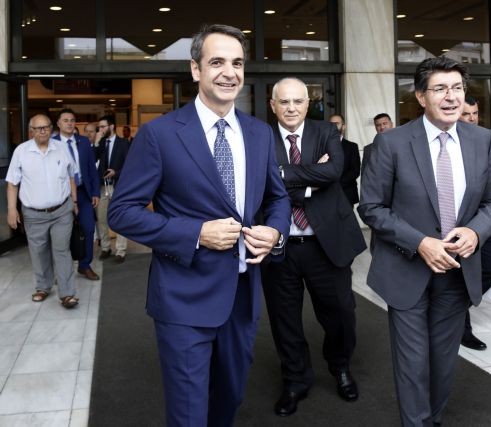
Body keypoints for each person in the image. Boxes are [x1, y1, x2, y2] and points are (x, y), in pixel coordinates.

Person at [107, 24, 290, 427]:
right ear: (196, 69)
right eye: (217, 62)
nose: (229, 72)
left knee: (229, 399)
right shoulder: (159, 135)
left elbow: (277, 198)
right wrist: (195, 233)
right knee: (189, 413)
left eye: (237, 63)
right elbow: (121, 212)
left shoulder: (259, 133)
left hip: (241, 295)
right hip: (183, 297)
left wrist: (275, 231)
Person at [358, 57, 491, 426]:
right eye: (440, 89)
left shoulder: (483, 140)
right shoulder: (390, 143)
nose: (451, 97)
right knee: (412, 363)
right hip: (407, 269)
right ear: (421, 97)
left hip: (457, 270)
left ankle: (432, 419)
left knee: (443, 360)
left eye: (457, 88)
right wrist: (420, 242)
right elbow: (371, 207)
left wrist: (475, 232)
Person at [262, 77, 366, 417]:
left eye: (298, 101)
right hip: (280, 245)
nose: (291, 108)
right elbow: (259, 181)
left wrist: (282, 174)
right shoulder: (260, 137)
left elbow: (333, 171)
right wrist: (309, 180)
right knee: (284, 320)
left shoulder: (326, 131)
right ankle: (295, 380)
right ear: (273, 105)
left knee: (341, 315)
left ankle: (340, 366)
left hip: (326, 243)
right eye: (284, 102)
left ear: (308, 104)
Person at [6, 114, 80, 309]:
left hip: (61, 211)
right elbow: (12, 183)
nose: (42, 131)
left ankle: (67, 293)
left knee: (62, 250)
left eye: (46, 127)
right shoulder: (21, 151)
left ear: (51, 128)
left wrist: (74, 201)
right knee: (39, 252)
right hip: (33, 214)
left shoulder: (61, 148)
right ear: (31, 131)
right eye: (38, 128)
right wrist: (12, 209)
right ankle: (43, 286)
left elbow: (71, 177)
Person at [457, 95, 491, 352]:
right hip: (456, 222)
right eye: (466, 114)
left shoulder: (487, 140)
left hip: (484, 220)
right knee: (458, 275)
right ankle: (462, 328)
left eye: (475, 113)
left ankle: (452, 310)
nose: (472, 118)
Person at [53, 109, 101, 280]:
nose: (69, 123)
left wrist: (95, 192)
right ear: (58, 124)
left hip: (83, 192)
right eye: (65, 120)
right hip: (62, 194)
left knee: (88, 228)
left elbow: (91, 169)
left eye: (72, 120)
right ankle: (61, 270)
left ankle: (85, 265)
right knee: (63, 233)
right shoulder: (52, 143)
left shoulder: (84, 141)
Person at [95, 115, 129, 263]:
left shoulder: (123, 143)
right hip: (102, 187)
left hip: (118, 186)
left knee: (120, 218)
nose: (100, 130)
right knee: (102, 218)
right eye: (99, 127)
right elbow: (92, 160)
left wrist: (116, 173)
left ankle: (120, 250)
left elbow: (130, 165)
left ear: (112, 126)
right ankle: (105, 247)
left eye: (103, 127)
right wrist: (96, 143)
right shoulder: (101, 143)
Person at [330, 113, 361, 206]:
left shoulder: (352, 146)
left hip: (346, 194)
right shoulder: (320, 145)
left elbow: (355, 171)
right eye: (331, 124)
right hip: (325, 195)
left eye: (337, 123)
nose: (334, 126)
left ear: (344, 126)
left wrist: (336, 185)